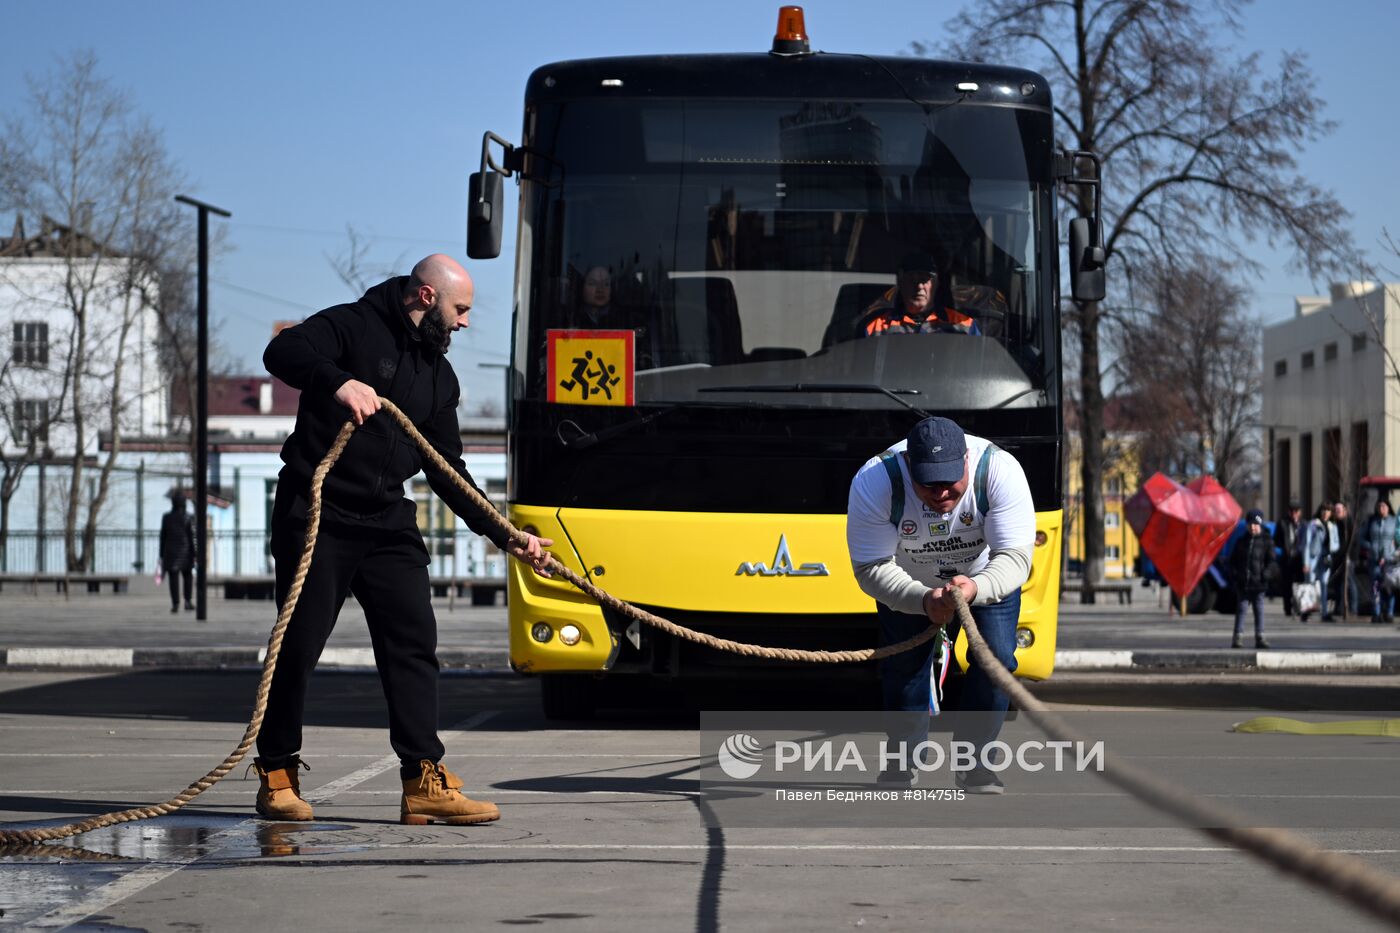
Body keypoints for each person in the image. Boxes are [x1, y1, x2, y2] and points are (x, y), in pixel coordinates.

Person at [256, 254, 554, 825]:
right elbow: (282, 351)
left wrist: (506, 535)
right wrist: (339, 382)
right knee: (298, 645)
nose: (465, 321)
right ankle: (277, 774)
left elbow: (447, 469)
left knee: (413, 640)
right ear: (426, 297)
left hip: (386, 521)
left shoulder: (440, 377)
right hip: (317, 512)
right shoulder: (351, 325)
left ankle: (422, 780)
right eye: (460, 309)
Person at [846, 416, 1035, 794]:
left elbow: (1015, 558)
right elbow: (870, 567)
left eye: (949, 480)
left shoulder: (999, 470)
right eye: (928, 483)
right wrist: (922, 599)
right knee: (904, 668)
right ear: (908, 465)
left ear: (966, 459)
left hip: (984, 577)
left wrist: (976, 588)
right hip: (907, 580)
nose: (941, 493)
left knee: (997, 660)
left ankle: (975, 765)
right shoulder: (874, 480)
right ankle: (903, 762)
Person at [855, 252, 984, 337]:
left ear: (936, 284)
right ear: (900, 283)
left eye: (924, 279)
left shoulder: (964, 326)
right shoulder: (876, 328)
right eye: (911, 279)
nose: (919, 286)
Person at [1229, 510, 1276, 649]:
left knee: (1259, 610)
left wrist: (1266, 574)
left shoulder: (1266, 541)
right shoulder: (1241, 541)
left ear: (1260, 525)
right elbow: (1233, 561)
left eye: (1255, 524)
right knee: (1241, 609)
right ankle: (1237, 637)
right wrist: (1236, 575)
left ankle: (1260, 636)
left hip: (1259, 583)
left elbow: (1272, 562)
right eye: (1250, 524)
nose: (1252, 527)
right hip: (1243, 583)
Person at [1361, 499, 1399, 625]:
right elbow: (1361, 538)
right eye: (1379, 506)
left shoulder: (1394, 521)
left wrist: (1395, 552)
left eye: (1384, 506)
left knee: (1389, 586)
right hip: (1374, 559)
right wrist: (1370, 546)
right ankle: (1376, 612)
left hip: (1389, 559)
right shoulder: (1372, 521)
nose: (1381, 509)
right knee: (1375, 586)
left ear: (1388, 508)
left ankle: (1389, 612)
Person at [158, 491, 196, 614]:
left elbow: (162, 537)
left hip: (171, 552)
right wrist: (195, 553)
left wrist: (161, 554)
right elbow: (193, 537)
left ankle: (175, 604)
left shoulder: (166, 517)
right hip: (186, 552)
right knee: (188, 577)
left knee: (173, 579)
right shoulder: (189, 517)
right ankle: (188, 601)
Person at [1298, 503, 1333, 622]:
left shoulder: (1331, 526)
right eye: (1324, 510)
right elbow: (1306, 544)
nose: (1325, 513)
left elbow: (1335, 543)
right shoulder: (1313, 524)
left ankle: (1324, 612)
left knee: (1324, 584)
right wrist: (1306, 562)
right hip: (1313, 558)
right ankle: (1306, 611)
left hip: (1325, 559)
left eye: (1328, 510)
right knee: (1310, 585)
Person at [1272, 501, 1304, 616]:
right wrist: (1283, 549)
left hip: (1299, 558)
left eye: (1296, 511)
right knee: (1287, 584)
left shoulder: (1302, 524)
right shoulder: (1282, 523)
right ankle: (1288, 608)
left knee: (1299, 583)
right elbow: (1276, 540)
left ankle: (1299, 607)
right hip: (1287, 558)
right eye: (1291, 511)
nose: (1294, 513)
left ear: (1300, 512)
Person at [1329, 500, 1358, 620]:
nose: (1336, 512)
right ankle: (1339, 608)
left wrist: (1348, 556)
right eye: (1335, 511)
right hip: (1337, 558)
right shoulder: (1334, 524)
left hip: (1347, 558)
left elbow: (1353, 542)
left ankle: (1354, 609)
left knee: (1350, 583)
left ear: (1345, 511)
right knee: (1338, 584)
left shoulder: (1349, 523)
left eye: (1339, 510)